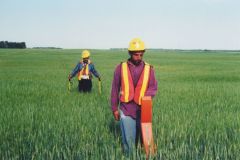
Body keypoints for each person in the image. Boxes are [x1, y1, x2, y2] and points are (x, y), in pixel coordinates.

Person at [111, 38, 158, 154]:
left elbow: (153, 87)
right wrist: (114, 108)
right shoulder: (120, 68)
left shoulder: (149, 69)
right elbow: (115, 89)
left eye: (141, 55)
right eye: (136, 55)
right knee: (129, 143)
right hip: (126, 109)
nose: (139, 57)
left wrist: (146, 96)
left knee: (145, 144)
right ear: (130, 53)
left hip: (143, 110)